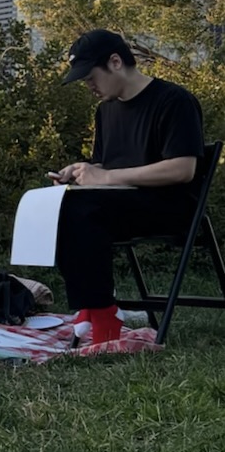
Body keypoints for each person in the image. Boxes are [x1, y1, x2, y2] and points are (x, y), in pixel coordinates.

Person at [49, 29, 204, 344]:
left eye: (91, 76)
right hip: (123, 204)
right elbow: (108, 166)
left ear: (115, 62)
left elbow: (183, 169)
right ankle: (95, 308)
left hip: (169, 206)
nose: (88, 85)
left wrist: (105, 178)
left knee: (80, 210)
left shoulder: (174, 100)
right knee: (58, 204)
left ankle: (101, 315)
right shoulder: (106, 110)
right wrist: (81, 171)